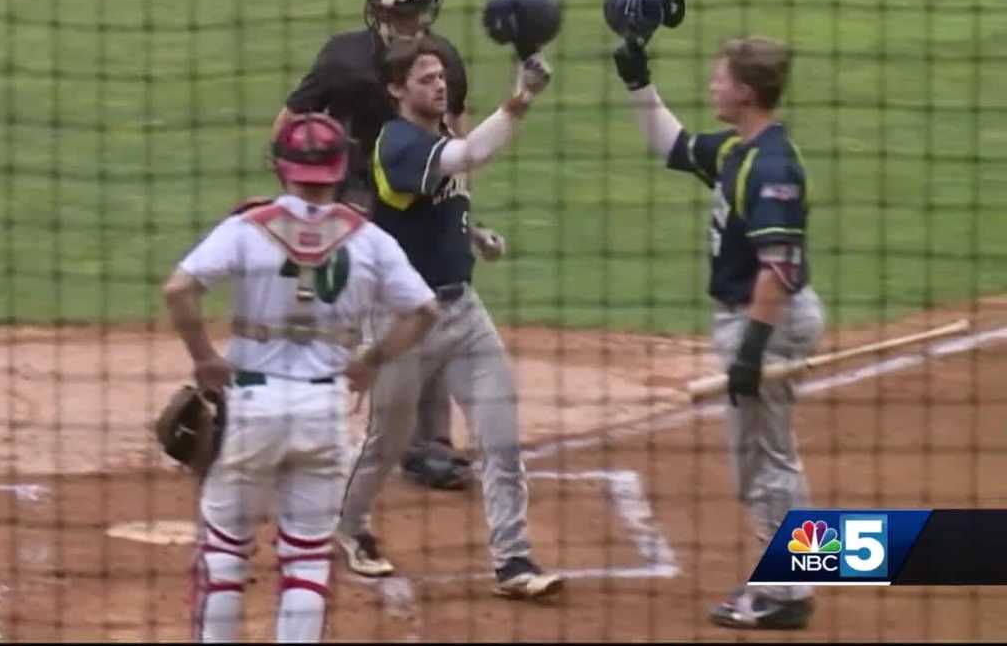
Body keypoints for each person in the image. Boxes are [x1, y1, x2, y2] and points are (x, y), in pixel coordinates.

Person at [163, 112, 441, 642]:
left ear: (280, 167)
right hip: (323, 412)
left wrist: (204, 358)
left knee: (224, 555)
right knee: (307, 562)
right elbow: (425, 311)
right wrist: (370, 361)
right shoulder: (371, 240)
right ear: (340, 170)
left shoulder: (246, 228)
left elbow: (179, 290)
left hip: (252, 408)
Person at [335, 36, 564, 600]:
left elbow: (438, 200)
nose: (440, 85)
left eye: (441, 76)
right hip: (402, 320)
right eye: (426, 79)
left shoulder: (436, 137)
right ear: (396, 90)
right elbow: (467, 159)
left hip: (462, 312)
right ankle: (345, 526)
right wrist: (521, 98)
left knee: (501, 439)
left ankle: (512, 560)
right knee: (387, 443)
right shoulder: (398, 144)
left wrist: (472, 234)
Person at [613, 34, 825, 629]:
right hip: (762, 318)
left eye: (721, 77)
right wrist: (638, 84)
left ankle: (787, 592)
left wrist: (751, 350)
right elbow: (674, 144)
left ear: (747, 92)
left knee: (765, 465)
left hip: (768, 319)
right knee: (771, 458)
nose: (712, 85)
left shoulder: (771, 167)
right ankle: (800, 575)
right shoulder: (739, 149)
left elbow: (778, 267)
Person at [272, 0, 506, 492]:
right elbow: (288, 127)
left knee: (428, 308)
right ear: (377, 14)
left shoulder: (441, 60)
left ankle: (429, 446)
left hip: (417, 200)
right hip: (352, 199)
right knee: (323, 309)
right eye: (403, 14)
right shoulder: (343, 58)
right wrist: (302, 204)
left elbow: (457, 143)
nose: (413, 24)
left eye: (420, 12)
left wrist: (460, 217)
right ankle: (281, 422)